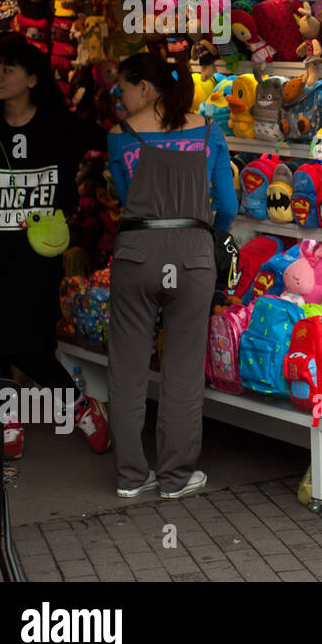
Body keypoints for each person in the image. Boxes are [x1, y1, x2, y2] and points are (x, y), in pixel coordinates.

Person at [0, 37, 111, 457]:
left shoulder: (60, 126)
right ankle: (7, 421)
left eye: (8, 70)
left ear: (32, 79)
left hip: (36, 254)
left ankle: (78, 404)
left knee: (26, 342)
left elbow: (114, 142)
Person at [106, 52, 237, 500]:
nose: (119, 98)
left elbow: (128, 199)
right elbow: (229, 205)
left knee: (127, 369)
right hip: (193, 256)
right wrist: (204, 238)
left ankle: (130, 478)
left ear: (146, 88)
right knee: (182, 371)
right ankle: (174, 479)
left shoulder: (119, 136)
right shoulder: (208, 130)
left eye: (123, 87)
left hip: (137, 254)